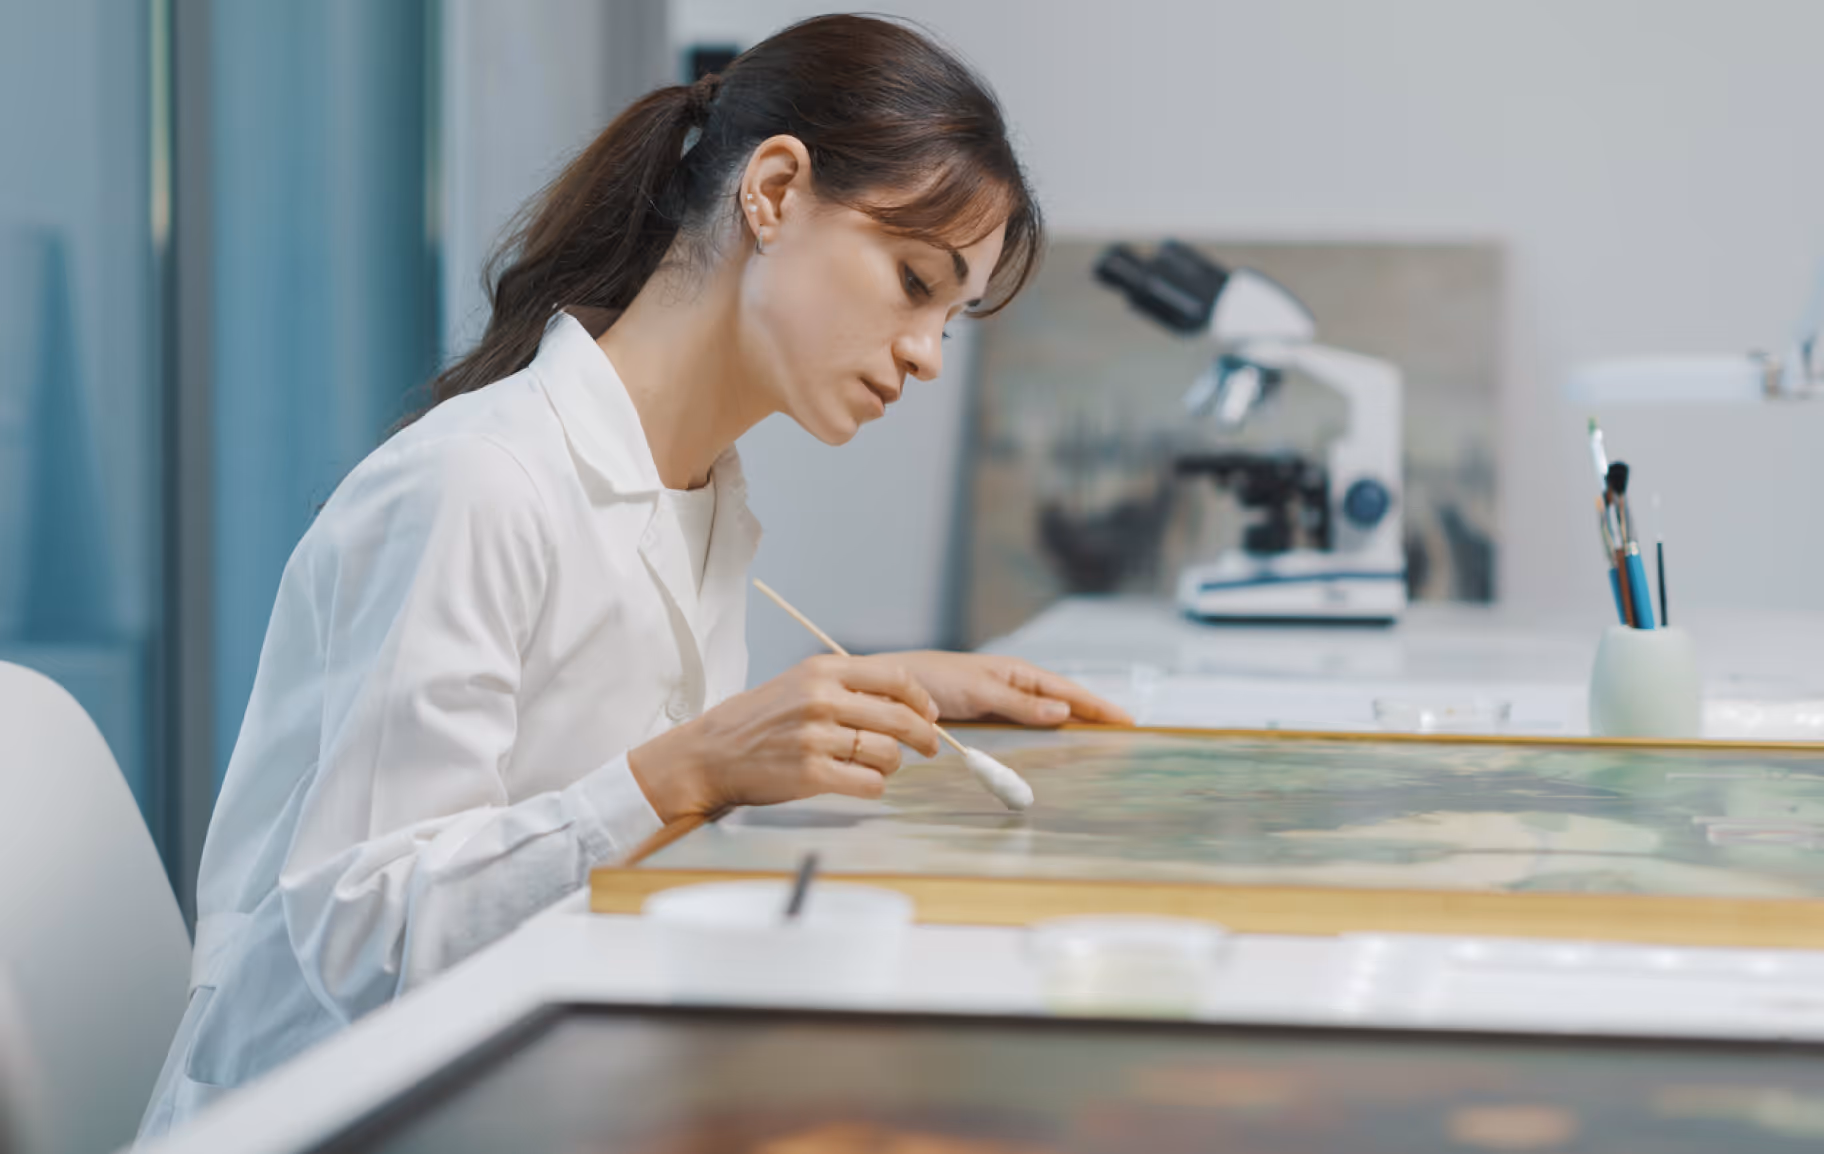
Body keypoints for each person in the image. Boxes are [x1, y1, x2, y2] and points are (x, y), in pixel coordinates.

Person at [137, 13, 1130, 1139]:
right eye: (914, 281)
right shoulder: (477, 481)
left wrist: (870, 690)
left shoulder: (705, 493)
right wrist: (687, 769)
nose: (927, 354)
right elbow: (357, 938)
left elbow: (583, 772)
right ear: (774, 189)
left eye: (951, 317)